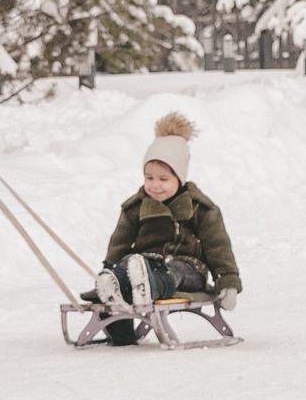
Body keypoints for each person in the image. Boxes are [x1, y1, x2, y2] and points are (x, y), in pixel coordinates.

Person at [92, 113, 242, 344]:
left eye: (163, 179)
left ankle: (148, 285)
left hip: (189, 269)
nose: (154, 185)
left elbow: (218, 246)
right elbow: (120, 241)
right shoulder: (136, 206)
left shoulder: (199, 208)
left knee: (173, 271)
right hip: (142, 264)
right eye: (149, 177)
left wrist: (228, 282)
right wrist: (111, 267)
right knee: (127, 269)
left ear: (179, 178)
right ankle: (117, 301)